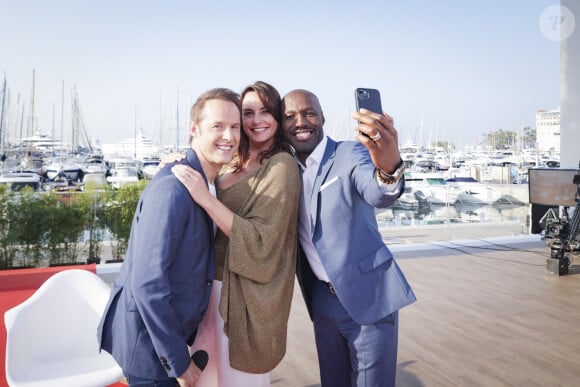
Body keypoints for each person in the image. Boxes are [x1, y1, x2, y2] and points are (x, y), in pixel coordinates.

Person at [97, 88, 242, 387]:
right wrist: (179, 364)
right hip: (150, 347)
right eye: (218, 126)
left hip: (169, 336)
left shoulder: (205, 183)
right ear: (194, 129)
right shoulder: (174, 188)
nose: (229, 136)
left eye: (235, 127)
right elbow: (148, 283)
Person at [281, 89, 416, 387]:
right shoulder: (286, 169)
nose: (300, 121)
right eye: (290, 116)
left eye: (309, 113)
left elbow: (379, 191)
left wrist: (388, 163)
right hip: (322, 302)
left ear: (323, 118)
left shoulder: (349, 153)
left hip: (368, 298)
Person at [171, 81, 301, 386]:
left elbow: (261, 240)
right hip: (209, 289)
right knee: (203, 378)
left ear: (278, 117)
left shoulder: (282, 167)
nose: (256, 120)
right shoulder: (232, 160)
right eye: (248, 113)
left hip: (244, 297)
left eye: (265, 111)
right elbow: (199, 165)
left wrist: (205, 196)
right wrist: (176, 162)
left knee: (239, 380)